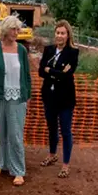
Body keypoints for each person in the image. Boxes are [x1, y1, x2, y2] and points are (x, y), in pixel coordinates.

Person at [0, 15, 32, 186]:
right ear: (5, 30)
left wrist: (27, 97)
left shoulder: (22, 51)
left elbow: (26, 76)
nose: (17, 32)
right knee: (2, 134)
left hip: (17, 98)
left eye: (18, 29)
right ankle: (3, 164)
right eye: (13, 29)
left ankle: (18, 171)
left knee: (15, 135)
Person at [38, 20, 79, 178]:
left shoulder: (73, 52)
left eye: (63, 33)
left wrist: (50, 70)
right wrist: (56, 71)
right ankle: (52, 154)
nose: (59, 36)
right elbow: (41, 71)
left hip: (65, 98)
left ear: (68, 35)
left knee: (66, 130)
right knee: (52, 127)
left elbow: (66, 75)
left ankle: (66, 164)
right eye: (57, 32)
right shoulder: (48, 50)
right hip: (49, 96)